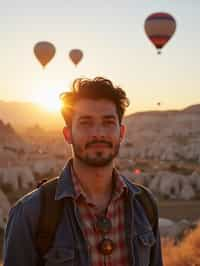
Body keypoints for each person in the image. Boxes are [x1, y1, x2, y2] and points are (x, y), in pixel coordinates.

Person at [3, 77, 163, 266]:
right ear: (68, 134)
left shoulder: (144, 205)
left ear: (121, 133)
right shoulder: (30, 213)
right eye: (86, 123)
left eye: (108, 122)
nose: (98, 132)